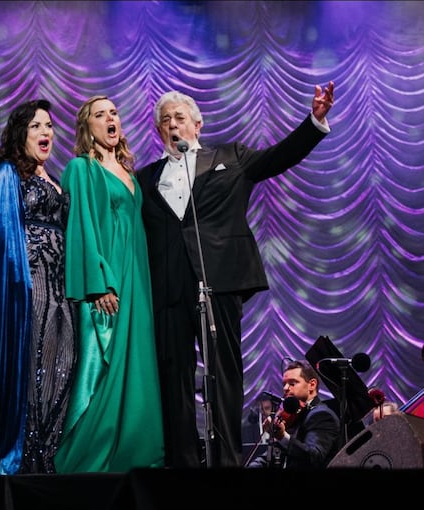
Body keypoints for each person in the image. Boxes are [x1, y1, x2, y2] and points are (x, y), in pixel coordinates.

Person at [137, 82, 335, 468]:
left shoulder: (231, 156)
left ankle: (226, 462)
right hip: (168, 287)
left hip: (219, 279)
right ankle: (181, 462)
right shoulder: (144, 178)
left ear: (198, 124)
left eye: (180, 117)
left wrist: (315, 120)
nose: (173, 124)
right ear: (158, 130)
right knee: (172, 375)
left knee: (223, 372)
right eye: (166, 120)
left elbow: (280, 157)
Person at [0, 99, 77, 474]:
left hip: (60, 284)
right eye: (36, 126)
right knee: (33, 367)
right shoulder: (7, 175)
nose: (46, 132)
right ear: (20, 134)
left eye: (49, 126)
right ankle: (26, 457)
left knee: (63, 364)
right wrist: (15, 288)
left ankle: (49, 451)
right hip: (28, 285)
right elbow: (0, 241)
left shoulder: (54, 179)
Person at [53, 95, 165, 473]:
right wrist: (98, 283)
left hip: (137, 279)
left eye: (114, 112)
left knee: (137, 362)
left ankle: (136, 452)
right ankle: (90, 458)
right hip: (106, 280)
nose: (110, 119)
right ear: (88, 127)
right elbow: (81, 227)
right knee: (104, 363)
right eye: (100, 115)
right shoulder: (81, 168)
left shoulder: (131, 174)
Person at [247, 359, 341, 468]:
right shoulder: (295, 414)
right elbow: (273, 454)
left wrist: (283, 436)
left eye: (292, 383)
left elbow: (313, 457)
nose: (285, 388)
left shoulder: (322, 415)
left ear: (312, 384)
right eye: (284, 384)